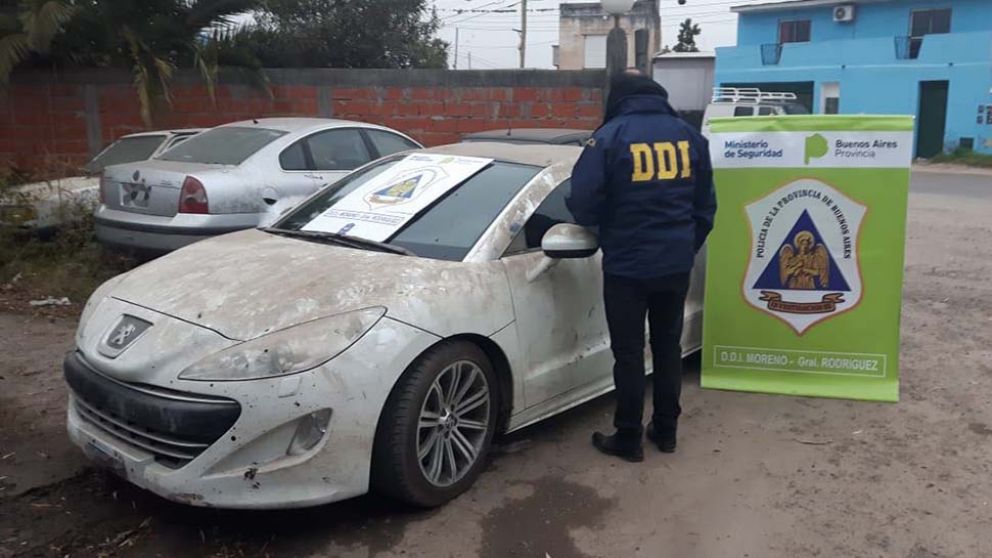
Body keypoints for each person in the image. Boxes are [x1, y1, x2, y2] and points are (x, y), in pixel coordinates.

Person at [566, 73, 717, 462]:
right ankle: (666, 432)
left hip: (627, 267)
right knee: (668, 348)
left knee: (630, 353)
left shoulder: (609, 137)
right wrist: (684, 246)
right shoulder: (690, 137)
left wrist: (606, 231)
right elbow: (705, 208)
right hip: (675, 265)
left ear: (618, 98)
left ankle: (629, 437)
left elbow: (582, 201)